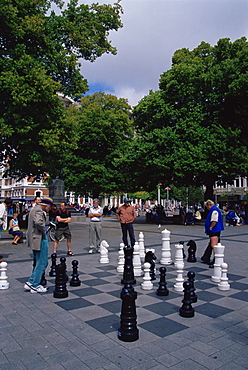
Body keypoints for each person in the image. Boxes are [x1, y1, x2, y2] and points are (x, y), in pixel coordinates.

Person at [24, 197, 53, 293]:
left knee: (38, 261)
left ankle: (31, 281)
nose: (49, 209)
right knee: (43, 262)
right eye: (49, 207)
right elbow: (38, 222)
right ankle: (35, 285)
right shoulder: (39, 211)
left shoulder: (33, 209)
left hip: (34, 238)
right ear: (46, 205)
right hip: (39, 238)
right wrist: (44, 230)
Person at [201, 199, 224, 267]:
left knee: (213, 245)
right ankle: (206, 256)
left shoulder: (214, 211)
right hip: (215, 229)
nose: (207, 208)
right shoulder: (214, 210)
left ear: (209, 205)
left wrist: (211, 227)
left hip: (214, 230)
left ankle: (216, 259)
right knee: (211, 243)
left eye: (207, 206)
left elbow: (214, 220)